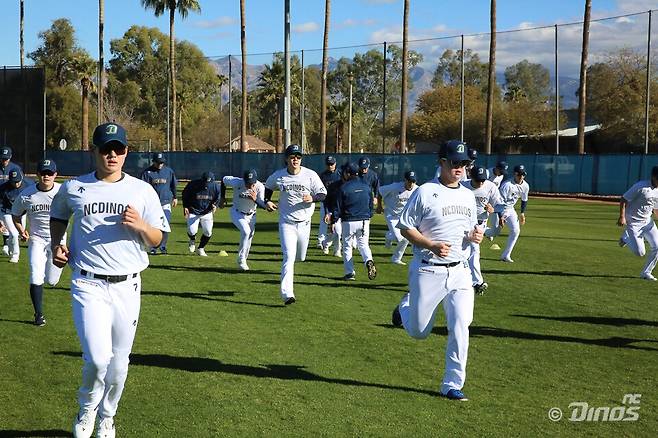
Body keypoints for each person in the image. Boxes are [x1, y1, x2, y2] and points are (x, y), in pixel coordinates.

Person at [49, 122, 170, 438]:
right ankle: (87, 407)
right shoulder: (74, 187)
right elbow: (59, 215)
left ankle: (107, 417)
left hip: (127, 286)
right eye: (106, 148)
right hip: (88, 284)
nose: (112, 154)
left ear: (126, 152)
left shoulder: (142, 190)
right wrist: (56, 246)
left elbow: (158, 239)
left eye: (118, 148)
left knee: (119, 365)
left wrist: (142, 226)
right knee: (99, 360)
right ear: (94, 151)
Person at [391, 139, 484, 401]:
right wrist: (430, 244)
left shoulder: (467, 194)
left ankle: (452, 384)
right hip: (428, 270)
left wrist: (475, 235)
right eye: (455, 162)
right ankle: (404, 308)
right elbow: (405, 227)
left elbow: (469, 227)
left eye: (465, 163)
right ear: (442, 162)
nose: (461, 168)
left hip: (460, 272)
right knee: (419, 332)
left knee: (460, 326)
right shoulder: (425, 192)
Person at [264, 144, 326, 305]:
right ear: (286, 159)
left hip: (305, 223)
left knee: (300, 257)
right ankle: (287, 294)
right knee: (289, 257)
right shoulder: (279, 176)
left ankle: (296, 265)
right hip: (287, 222)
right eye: (292, 157)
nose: (295, 160)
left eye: (298, 157)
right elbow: (268, 188)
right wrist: (267, 201)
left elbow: (323, 193)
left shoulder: (310, 175)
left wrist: (313, 198)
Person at [11, 159, 64, 326]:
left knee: (52, 281)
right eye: (43, 173)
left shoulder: (63, 192)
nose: (46, 176)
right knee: (35, 274)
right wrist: (21, 231)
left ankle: (51, 279)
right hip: (37, 239)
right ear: (38, 174)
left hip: (58, 240)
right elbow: (15, 214)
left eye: (50, 173)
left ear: (55, 175)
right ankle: (38, 314)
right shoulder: (27, 194)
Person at [461, 165, 503, 294]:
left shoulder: (490, 187)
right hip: (463, 222)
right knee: (465, 251)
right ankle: (471, 280)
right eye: (478, 180)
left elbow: (501, 205)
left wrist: (495, 210)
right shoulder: (462, 185)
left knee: (474, 250)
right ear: (471, 177)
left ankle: (477, 282)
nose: (480, 183)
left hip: (479, 223)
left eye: (483, 180)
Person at [333, 162, 377, 281]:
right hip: (364, 220)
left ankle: (349, 273)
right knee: (363, 245)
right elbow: (371, 204)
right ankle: (368, 260)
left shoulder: (344, 187)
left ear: (348, 173)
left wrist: (333, 220)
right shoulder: (367, 186)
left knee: (347, 246)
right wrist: (369, 215)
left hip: (348, 221)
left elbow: (337, 207)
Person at [617, 165, 658, 281]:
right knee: (640, 253)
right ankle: (626, 238)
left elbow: (655, 207)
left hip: (648, 223)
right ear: (653, 177)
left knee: (657, 247)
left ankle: (646, 272)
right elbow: (623, 199)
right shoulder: (640, 187)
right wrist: (622, 217)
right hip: (634, 223)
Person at [222, 169, 266, 270]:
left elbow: (264, 206)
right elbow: (223, 180)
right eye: (247, 183)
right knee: (246, 232)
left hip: (251, 216)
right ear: (244, 180)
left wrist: (255, 200)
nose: (249, 186)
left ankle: (243, 259)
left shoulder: (260, 187)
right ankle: (241, 259)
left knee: (249, 236)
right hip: (237, 213)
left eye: (252, 183)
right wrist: (222, 197)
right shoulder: (237, 182)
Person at [489, 164, 530, 263]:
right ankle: (483, 231)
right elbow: (499, 203)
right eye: (519, 174)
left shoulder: (525, 185)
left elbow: (524, 200)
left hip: (510, 209)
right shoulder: (507, 185)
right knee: (495, 232)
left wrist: (522, 213)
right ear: (515, 174)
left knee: (516, 230)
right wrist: (500, 217)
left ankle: (506, 255)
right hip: (498, 208)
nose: (521, 177)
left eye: (523, 174)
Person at [377, 170, 418, 265]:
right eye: (409, 181)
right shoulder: (394, 187)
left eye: (413, 181)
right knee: (401, 238)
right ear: (405, 180)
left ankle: (396, 258)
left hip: (404, 217)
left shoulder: (417, 189)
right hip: (391, 215)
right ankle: (389, 236)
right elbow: (380, 191)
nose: (411, 184)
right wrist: (379, 206)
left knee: (406, 238)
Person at [140, 152, 177, 254]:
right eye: (158, 162)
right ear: (153, 162)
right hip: (152, 204)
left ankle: (163, 246)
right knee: (153, 226)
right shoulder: (147, 173)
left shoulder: (169, 171)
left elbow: (173, 185)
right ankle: (153, 247)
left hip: (165, 202)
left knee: (165, 224)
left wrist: (175, 197)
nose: (160, 164)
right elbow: (142, 188)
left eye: (162, 162)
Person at [182, 171, 223, 257]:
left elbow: (217, 197)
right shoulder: (193, 185)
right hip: (194, 210)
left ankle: (201, 248)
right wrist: (185, 206)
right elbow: (185, 194)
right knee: (192, 230)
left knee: (208, 232)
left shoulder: (215, 187)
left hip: (207, 211)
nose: (206, 185)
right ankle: (192, 240)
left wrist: (215, 205)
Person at [1, 169, 35, 263]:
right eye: (13, 181)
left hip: (21, 213)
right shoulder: (3, 188)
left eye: (18, 181)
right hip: (7, 212)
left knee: (20, 234)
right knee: (14, 233)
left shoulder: (29, 184)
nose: (16, 184)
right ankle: (15, 256)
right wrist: (0, 222)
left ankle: (9, 243)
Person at [322, 163, 350, 258]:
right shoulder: (333, 186)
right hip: (333, 211)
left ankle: (325, 243)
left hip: (345, 212)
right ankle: (337, 250)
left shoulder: (350, 185)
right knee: (336, 232)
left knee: (337, 232)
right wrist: (327, 213)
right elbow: (326, 201)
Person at [0, 146, 23, 256]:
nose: (4, 161)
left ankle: (9, 243)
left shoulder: (15, 168)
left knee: (16, 229)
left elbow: (20, 184)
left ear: (10, 157)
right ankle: (6, 244)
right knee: (4, 223)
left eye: (6, 158)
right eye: (2, 158)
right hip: (2, 200)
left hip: (14, 200)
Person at [317, 155, 342, 253]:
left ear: (335, 164)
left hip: (338, 204)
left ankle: (329, 244)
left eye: (332, 164)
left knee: (337, 229)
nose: (330, 166)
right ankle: (321, 241)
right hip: (326, 203)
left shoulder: (340, 174)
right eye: (328, 164)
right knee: (324, 223)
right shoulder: (323, 176)